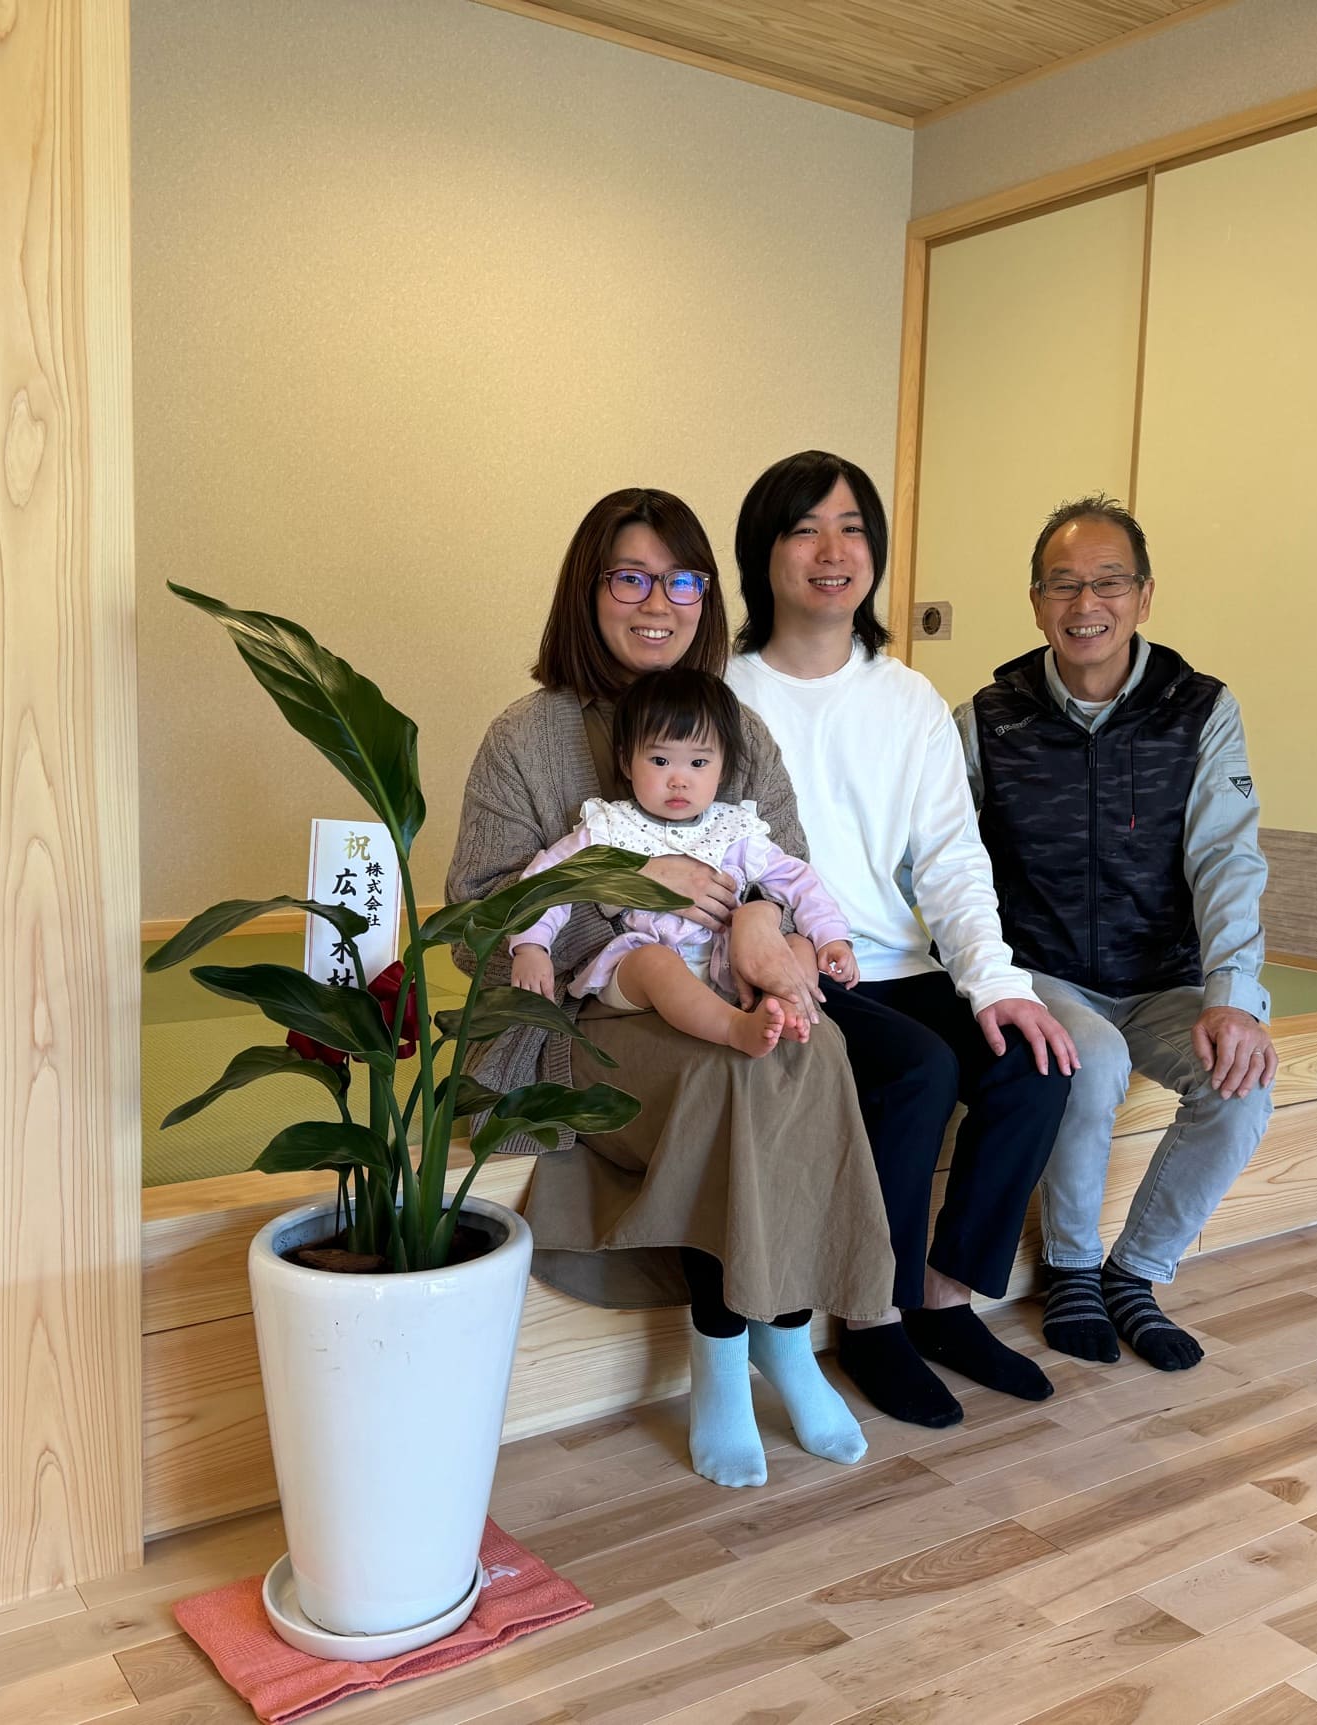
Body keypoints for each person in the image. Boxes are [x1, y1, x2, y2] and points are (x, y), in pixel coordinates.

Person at [447, 488, 892, 1489]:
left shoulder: (734, 725)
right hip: (587, 1009)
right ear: (587, 589)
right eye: (631, 578)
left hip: (728, 982)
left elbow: (785, 865)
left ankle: (786, 1337)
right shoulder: (525, 736)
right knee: (729, 1074)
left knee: (810, 1048)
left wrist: (760, 926)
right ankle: (722, 1360)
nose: (659, 601)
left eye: (683, 580)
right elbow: (478, 919)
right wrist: (628, 891)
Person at [725, 450, 1079, 1431]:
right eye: (804, 529)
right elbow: (702, 848)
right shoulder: (723, 693)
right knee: (917, 1071)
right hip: (798, 967)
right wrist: (767, 946)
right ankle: (871, 1316)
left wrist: (997, 984)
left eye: (852, 529)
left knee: (1037, 1062)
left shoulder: (909, 699)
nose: (831, 551)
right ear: (763, 553)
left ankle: (942, 1299)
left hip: (899, 961)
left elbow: (952, 862)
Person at [955, 495, 1276, 1371]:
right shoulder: (988, 717)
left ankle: (1134, 1272)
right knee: (1087, 1059)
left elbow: (1227, 857)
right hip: (1045, 971)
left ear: (1144, 595)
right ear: (1035, 602)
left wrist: (1233, 996)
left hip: (1167, 977)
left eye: (1108, 582)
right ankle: (1070, 1269)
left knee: (1243, 1087)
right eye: (1063, 584)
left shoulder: (1200, 707)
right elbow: (942, 858)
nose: (1085, 603)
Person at [509, 666, 858, 1058]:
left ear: (723, 768)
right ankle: (734, 1028)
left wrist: (831, 936)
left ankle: (788, 1007)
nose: (679, 780)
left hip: (726, 965)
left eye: (698, 763)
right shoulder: (608, 827)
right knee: (653, 963)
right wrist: (531, 946)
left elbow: (798, 880)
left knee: (797, 943)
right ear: (626, 762)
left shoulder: (735, 831)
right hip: (638, 971)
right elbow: (550, 880)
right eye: (660, 761)